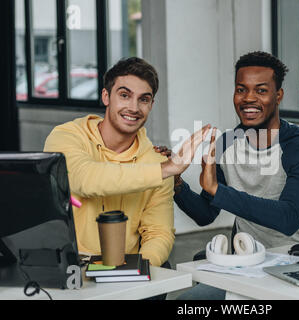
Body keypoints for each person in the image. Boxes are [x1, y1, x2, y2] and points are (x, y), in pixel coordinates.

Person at [168, 51, 299, 299]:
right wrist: (175, 183)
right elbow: (205, 214)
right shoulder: (226, 143)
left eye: (261, 90)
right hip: (246, 263)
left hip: (296, 264)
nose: (248, 98)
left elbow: (289, 218)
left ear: (278, 95)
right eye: (241, 89)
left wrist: (218, 190)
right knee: (187, 302)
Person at [44, 57, 211, 268]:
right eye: (124, 95)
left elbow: (158, 233)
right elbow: (83, 179)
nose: (134, 107)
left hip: (124, 270)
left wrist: (136, 269)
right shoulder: (66, 136)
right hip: (67, 268)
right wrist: (166, 169)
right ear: (106, 96)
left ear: (151, 105)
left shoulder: (156, 163)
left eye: (144, 99)